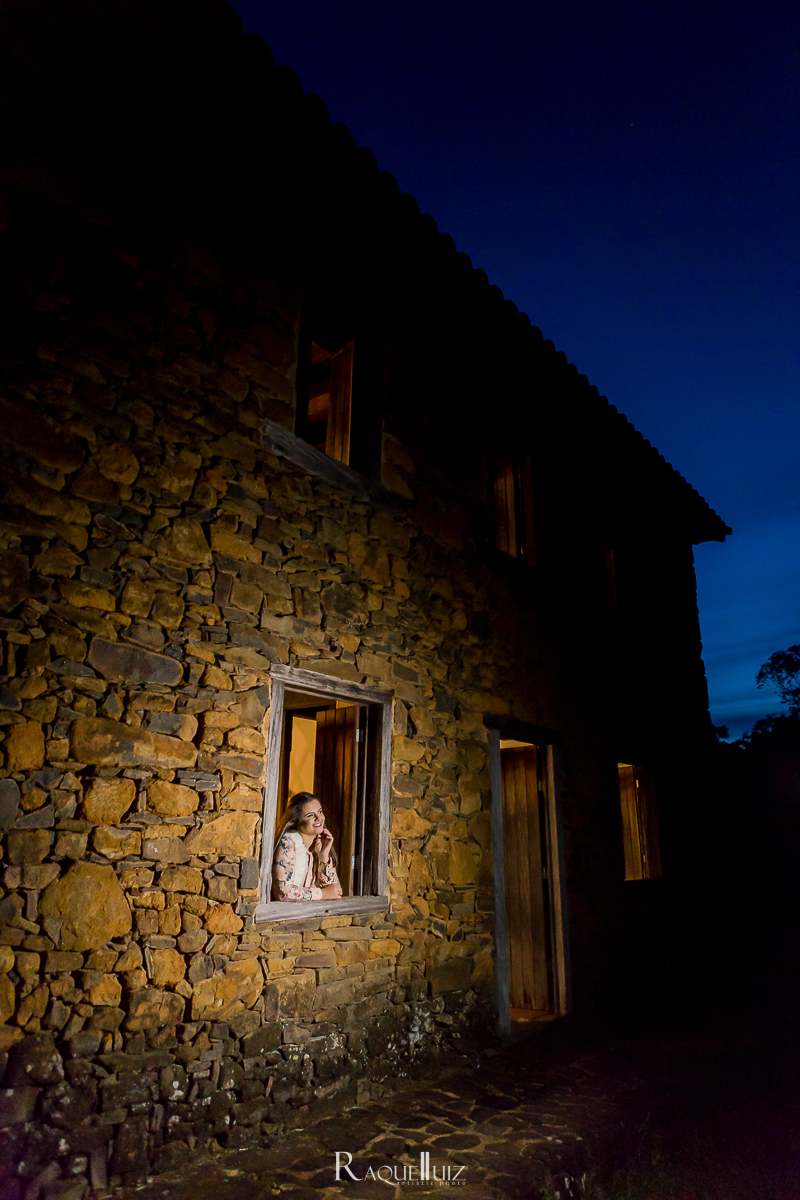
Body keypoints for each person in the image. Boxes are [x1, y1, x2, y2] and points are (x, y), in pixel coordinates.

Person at [272, 792, 343, 902]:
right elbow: (284, 893)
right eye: (310, 815)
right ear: (297, 821)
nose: (318, 818)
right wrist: (322, 893)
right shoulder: (287, 845)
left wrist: (323, 857)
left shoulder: (318, 846)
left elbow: (336, 891)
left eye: (320, 812)